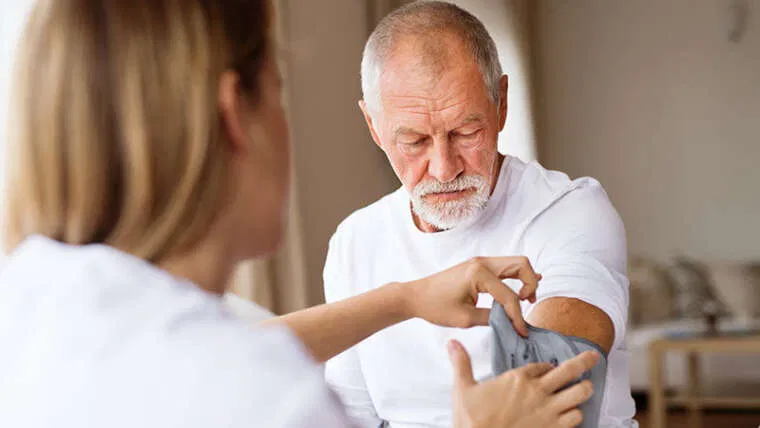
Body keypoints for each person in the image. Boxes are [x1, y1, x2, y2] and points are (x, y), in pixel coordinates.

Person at [0, 1, 598, 427]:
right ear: (238, 113)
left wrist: (402, 298)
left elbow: (224, 346)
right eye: (279, 88)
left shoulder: (27, 317)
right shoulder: (265, 395)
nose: (442, 168)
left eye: (464, 129)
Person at [323, 2, 637, 427]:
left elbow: (555, 400)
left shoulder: (569, 211)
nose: (444, 168)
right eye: (414, 141)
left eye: (466, 132)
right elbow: (351, 418)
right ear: (374, 127)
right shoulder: (354, 240)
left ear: (501, 103)